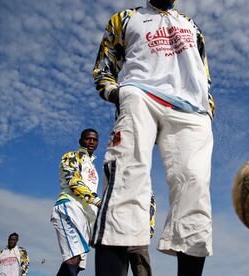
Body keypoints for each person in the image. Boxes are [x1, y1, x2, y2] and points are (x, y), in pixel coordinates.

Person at [91, 0, 215, 275]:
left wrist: (207, 108)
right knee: (127, 177)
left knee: (194, 187)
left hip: (191, 108)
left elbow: (203, 73)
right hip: (141, 96)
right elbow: (104, 66)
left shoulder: (191, 25)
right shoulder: (125, 18)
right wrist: (119, 94)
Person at [50, 129, 101, 275]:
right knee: (73, 257)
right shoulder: (71, 156)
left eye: (95, 139)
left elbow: (91, 190)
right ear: (81, 141)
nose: (91, 142)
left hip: (85, 216)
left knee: (78, 264)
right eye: (88, 139)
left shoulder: (93, 167)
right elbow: (73, 181)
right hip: (70, 206)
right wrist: (97, 201)